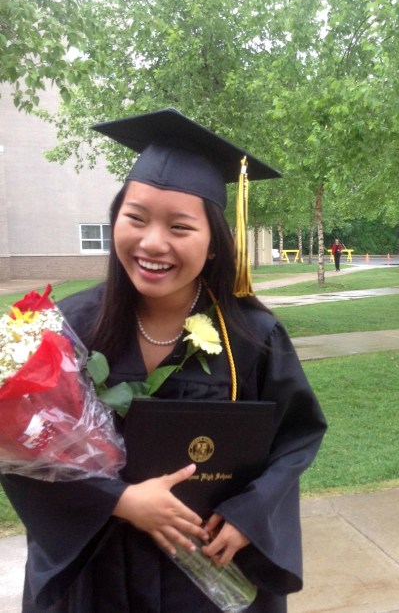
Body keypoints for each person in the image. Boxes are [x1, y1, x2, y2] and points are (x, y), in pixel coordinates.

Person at [0, 109, 327, 612]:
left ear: (214, 243)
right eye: (136, 218)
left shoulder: (252, 337)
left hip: (206, 575)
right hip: (98, 571)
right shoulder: (65, 326)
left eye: (180, 226)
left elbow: (297, 437)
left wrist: (252, 515)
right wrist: (119, 500)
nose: (153, 242)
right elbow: (21, 450)